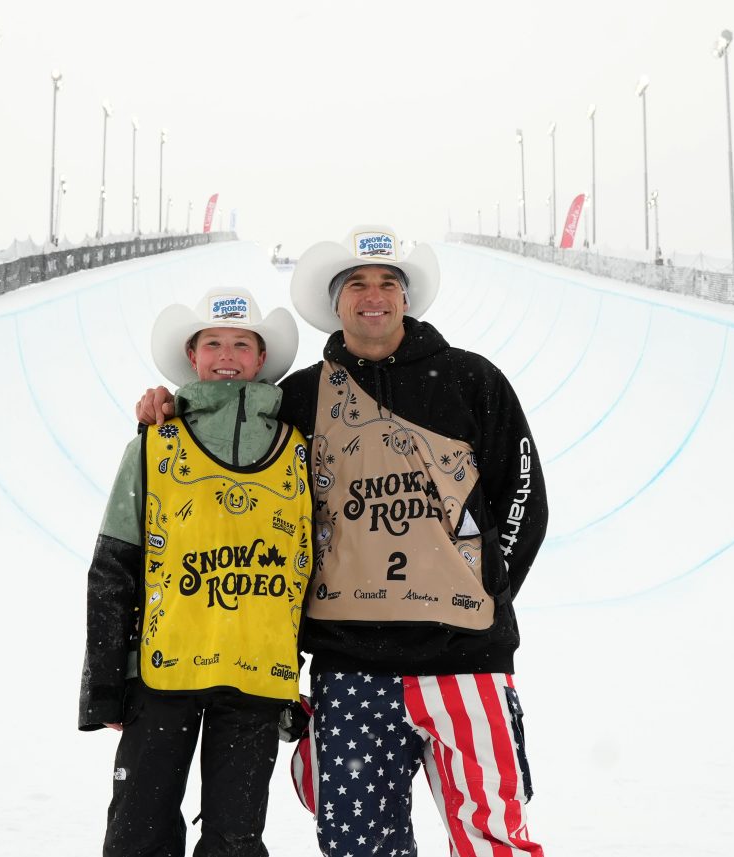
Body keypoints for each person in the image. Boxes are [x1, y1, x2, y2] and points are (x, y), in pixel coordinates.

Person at [138, 225, 549, 857]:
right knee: (358, 846)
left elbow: (523, 498)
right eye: (357, 284)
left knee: (495, 840)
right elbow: (231, 448)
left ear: (407, 297)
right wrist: (172, 407)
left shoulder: (472, 379)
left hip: (467, 664)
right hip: (351, 668)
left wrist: (482, 592)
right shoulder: (299, 397)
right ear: (336, 302)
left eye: (387, 283)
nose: (373, 296)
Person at [80, 287, 313, 857]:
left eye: (241, 344)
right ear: (192, 355)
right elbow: (114, 567)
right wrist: (106, 686)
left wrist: (301, 672)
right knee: (138, 832)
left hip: (257, 677)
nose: (226, 355)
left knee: (235, 840)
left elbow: (311, 568)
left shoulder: (300, 450)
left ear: (262, 358)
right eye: (213, 343)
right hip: (165, 673)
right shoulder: (154, 446)